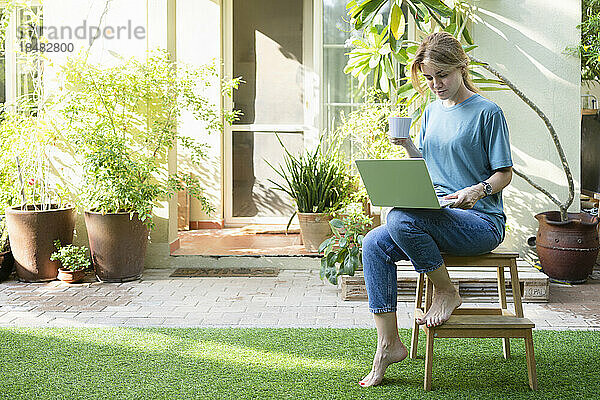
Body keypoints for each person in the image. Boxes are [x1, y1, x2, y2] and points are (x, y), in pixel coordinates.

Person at [358, 31, 513, 388]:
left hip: (479, 221)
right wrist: (407, 144)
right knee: (373, 244)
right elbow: (427, 167)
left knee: (398, 218)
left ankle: (446, 289)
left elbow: (504, 173)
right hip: (439, 215)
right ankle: (388, 344)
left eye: (441, 75)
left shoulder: (488, 113)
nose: (436, 84)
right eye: (428, 78)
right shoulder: (430, 111)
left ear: (461, 66)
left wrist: (478, 190)